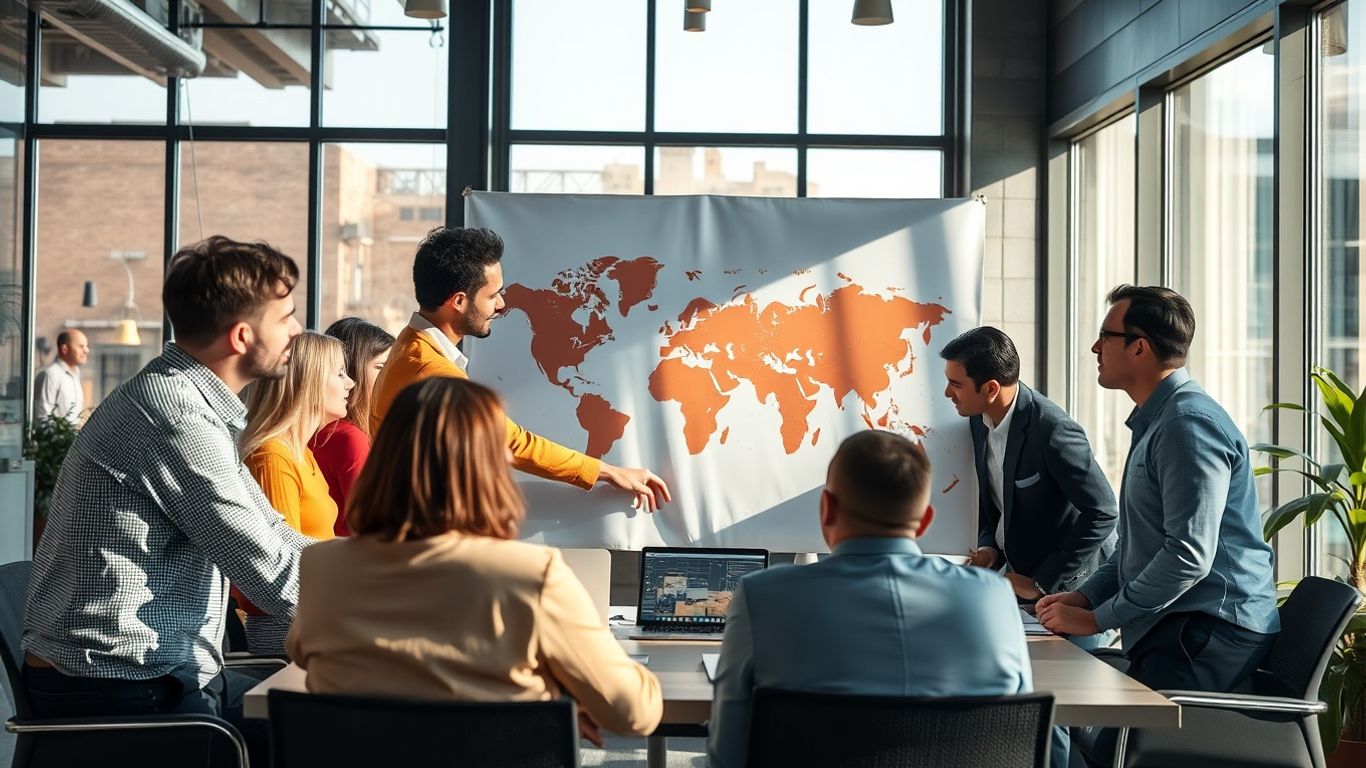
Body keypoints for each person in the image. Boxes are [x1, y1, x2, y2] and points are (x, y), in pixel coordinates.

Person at [22, 236, 309, 766]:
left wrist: (380, 570)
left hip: (152, 674)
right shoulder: (175, 418)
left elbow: (277, 535)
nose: (297, 330)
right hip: (120, 690)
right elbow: (271, 574)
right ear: (242, 336)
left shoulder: (186, 403)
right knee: (320, 733)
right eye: (287, 316)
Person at [288, 377, 663, 745]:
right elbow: (633, 712)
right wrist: (556, 698)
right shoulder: (532, 575)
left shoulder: (322, 566)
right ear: (487, 466)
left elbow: (306, 655)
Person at [1037, 285, 1280, 767]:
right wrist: (1085, 596)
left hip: (1208, 630)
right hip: (1179, 625)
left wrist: (1099, 619)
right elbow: (1140, 542)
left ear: (1140, 346)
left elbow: (1188, 555)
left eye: (1105, 336)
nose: (1094, 349)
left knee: (1115, 756)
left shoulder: (1188, 423)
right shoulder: (1161, 419)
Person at [707, 430, 1035, 768]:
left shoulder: (761, 598)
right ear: (923, 522)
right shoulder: (994, 597)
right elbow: (1016, 731)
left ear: (826, 509)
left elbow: (727, 755)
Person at [370, 226, 671, 512]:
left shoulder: (409, 346)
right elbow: (511, 442)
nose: (501, 305)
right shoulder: (430, 369)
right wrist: (607, 471)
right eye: (492, 295)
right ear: (459, 301)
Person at [940, 326, 1118, 649]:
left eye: (955, 384)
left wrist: (1041, 582)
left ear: (991, 388)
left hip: (1070, 592)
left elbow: (1104, 512)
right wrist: (988, 547)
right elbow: (994, 500)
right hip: (1018, 587)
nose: (947, 394)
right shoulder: (977, 420)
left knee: (1070, 689)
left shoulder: (1053, 430)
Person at [236, 330, 354, 653]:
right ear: (309, 381)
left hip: (316, 620)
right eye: (339, 373)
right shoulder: (272, 456)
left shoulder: (300, 453)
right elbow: (280, 562)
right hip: (288, 632)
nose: (351, 383)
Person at [309, 317, 395, 535]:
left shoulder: (318, 432)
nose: (390, 376)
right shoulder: (349, 438)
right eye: (381, 367)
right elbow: (376, 527)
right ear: (351, 369)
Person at [32, 328, 88, 424]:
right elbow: (42, 419)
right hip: (57, 439)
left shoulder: (76, 374)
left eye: (86, 346)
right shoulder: (49, 375)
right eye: (81, 346)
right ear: (64, 349)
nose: (86, 350)